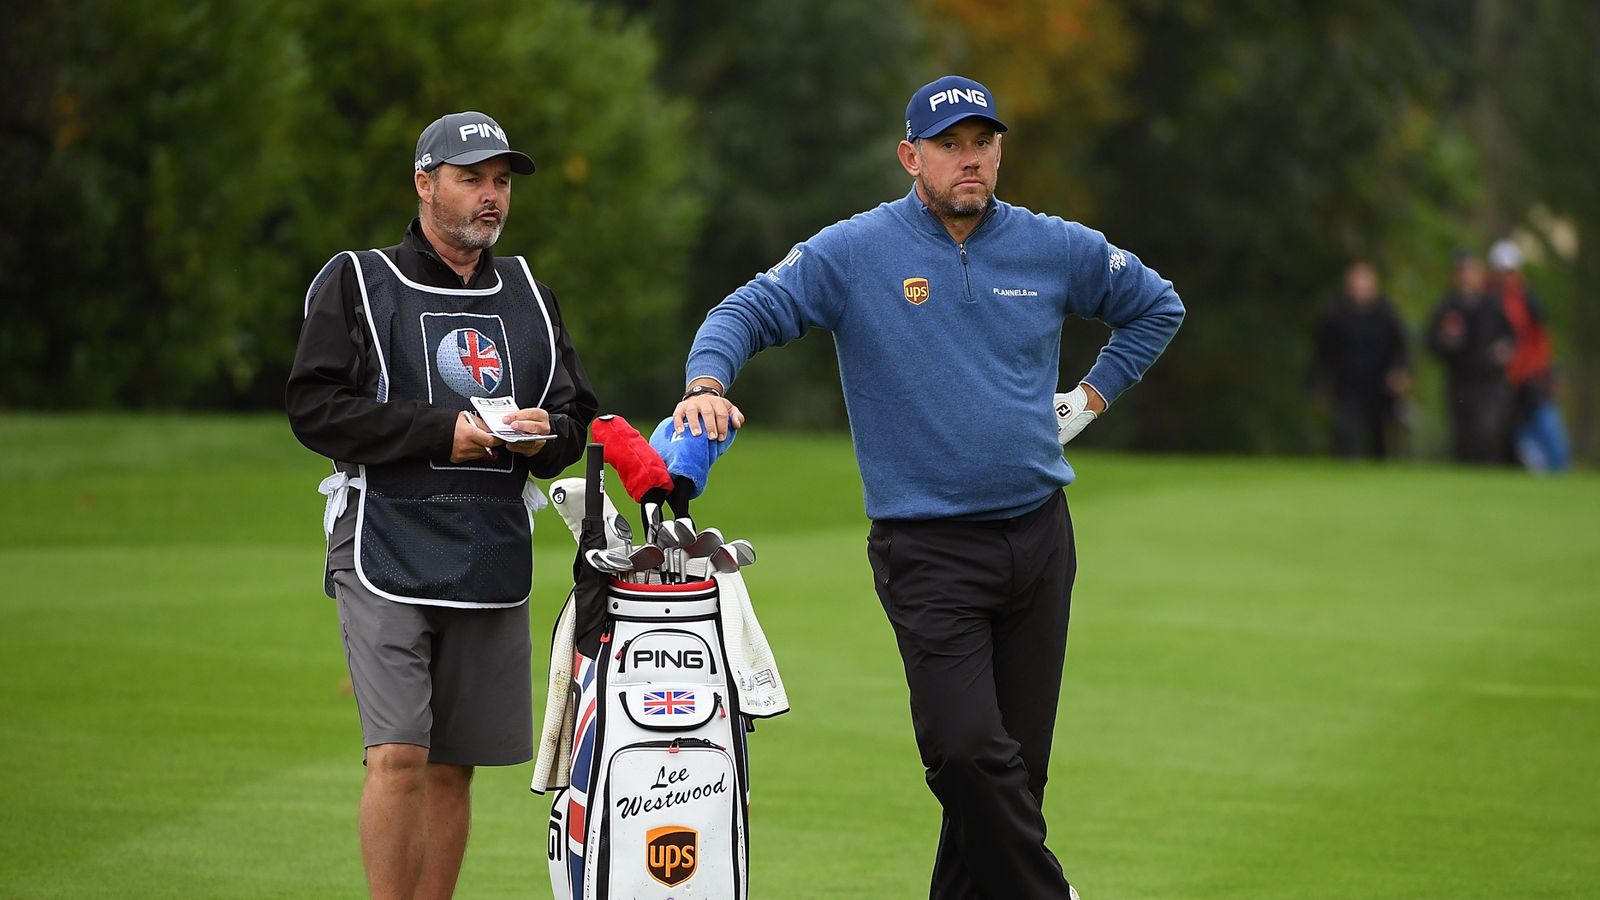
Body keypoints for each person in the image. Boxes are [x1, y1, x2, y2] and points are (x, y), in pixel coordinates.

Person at [672, 76, 1184, 900]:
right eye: (949, 146)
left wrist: (1090, 398)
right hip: (929, 548)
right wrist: (705, 380)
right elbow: (750, 308)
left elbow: (1156, 305)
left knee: (1012, 781)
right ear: (912, 156)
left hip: (1040, 538)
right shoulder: (855, 251)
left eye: (982, 143)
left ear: (999, 151)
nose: (968, 160)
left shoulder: (1051, 245)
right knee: (964, 752)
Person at [286, 111, 596, 899]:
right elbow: (315, 408)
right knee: (398, 753)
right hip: (386, 537)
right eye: (472, 179)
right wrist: (439, 434)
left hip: (490, 546)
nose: (491, 197)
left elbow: (575, 419)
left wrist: (542, 435)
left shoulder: (530, 292)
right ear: (425, 185)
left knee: (455, 765)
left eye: (500, 182)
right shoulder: (358, 279)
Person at [1309, 261, 1412, 459]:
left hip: (1379, 385)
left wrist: (1400, 372)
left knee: (1379, 436)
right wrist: (1316, 384)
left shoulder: (1386, 313)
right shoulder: (1335, 314)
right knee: (1346, 433)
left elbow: (1400, 348)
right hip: (1347, 383)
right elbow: (1322, 352)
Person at [1488, 239, 1571, 473]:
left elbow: (1541, 340)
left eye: (1510, 271)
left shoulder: (1529, 299)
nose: (1507, 276)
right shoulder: (1490, 300)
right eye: (1502, 271)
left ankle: (1559, 469)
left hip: (1532, 374)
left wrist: (1549, 372)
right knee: (1514, 432)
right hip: (1503, 379)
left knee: (1545, 422)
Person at [1426, 252, 1515, 464]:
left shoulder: (1492, 305)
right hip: (1460, 380)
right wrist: (1445, 344)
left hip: (1489, 380)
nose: (1467, 276)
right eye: (1462, 272)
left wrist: (1504, 350)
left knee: (1488, 431)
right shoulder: (1447, 307)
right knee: (1463, 436)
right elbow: (1431, 343)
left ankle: (1490, 475)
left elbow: (1509, 337)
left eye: (1471, 271)